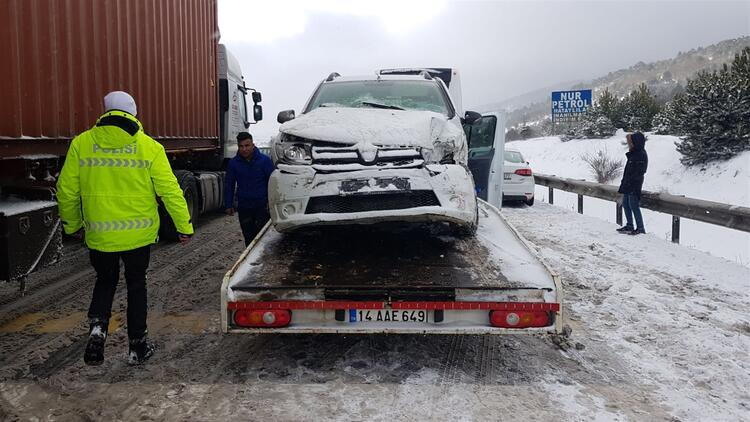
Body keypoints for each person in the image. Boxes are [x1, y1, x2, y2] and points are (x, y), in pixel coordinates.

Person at [57, 91, 193, 366]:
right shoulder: (149, 147)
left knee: (105, 281)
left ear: (106, 112)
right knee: (136, 286)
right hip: (138, 236)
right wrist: (184, 226)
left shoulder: (81, 144)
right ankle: (137, 347)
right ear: (133, 113)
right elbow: (170, 191)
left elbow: (66, 191)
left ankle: (98, 328)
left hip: (100, 235)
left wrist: (73, 226)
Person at [224, 132, 274, 246]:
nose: (244, 149)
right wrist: (228, 204)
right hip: (244, 207)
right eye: (241, 146)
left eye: (247, 146)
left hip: (262, 206)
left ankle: (262, 261)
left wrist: (271, 203)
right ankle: (250, 263)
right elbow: (229, 184)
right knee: (249, 237)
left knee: (262, 237)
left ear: (253, 145)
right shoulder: (233, 164)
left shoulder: (264, 161)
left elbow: (272, 183)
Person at [617, 131, 648, 235]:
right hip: (628, 184)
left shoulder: (640, 154)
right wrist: (624, 182)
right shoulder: (634, 153)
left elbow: (639, 172)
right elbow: (628, 171)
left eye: (631, 142)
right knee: (626, 204)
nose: (629, 144)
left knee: (634, 205)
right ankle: (630, 225)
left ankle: (640, 228)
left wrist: (631, 183)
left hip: (634, 185)